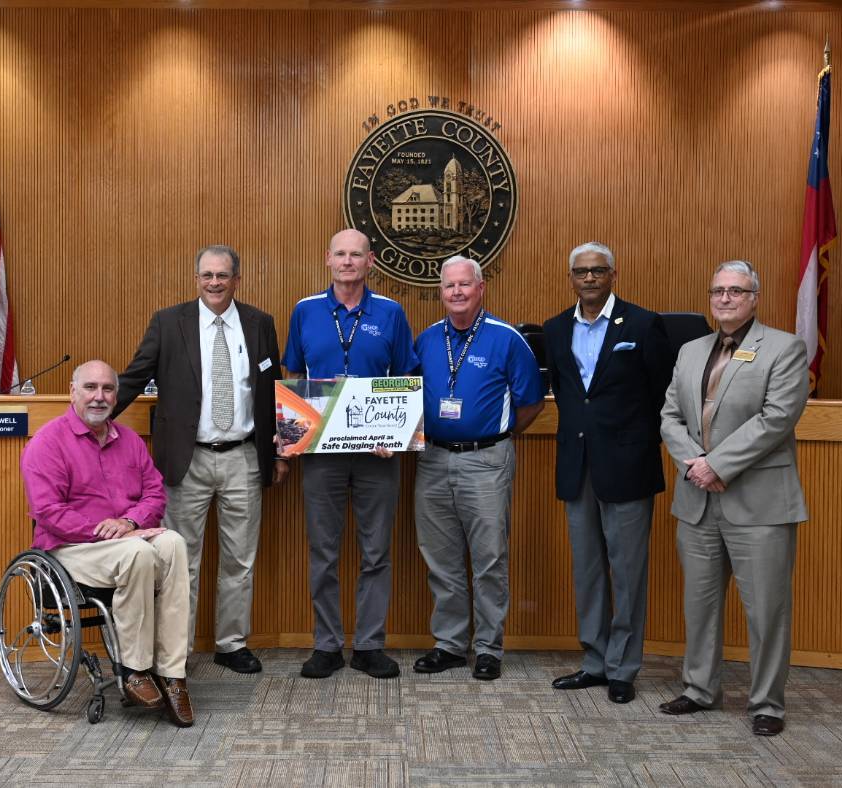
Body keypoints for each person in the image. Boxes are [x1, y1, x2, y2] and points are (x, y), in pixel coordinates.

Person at [115, 245, 285, 675]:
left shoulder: (260, 324)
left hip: (244, 458)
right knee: (179, 561)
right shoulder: (169, 323)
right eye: (207, 275)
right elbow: (135, 376)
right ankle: (178, 648)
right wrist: (89, 415)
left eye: (223, 275)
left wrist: (280, 450)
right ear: (196, 279)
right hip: (185, 460)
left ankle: (231, 643)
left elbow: (272, 392)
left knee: (239, 559)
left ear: (237, 279)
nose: (214, 282)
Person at [658, 260, 808, 737]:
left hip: (759, 502)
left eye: (736, 291)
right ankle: (700, 689)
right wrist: (694, 463)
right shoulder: (689, 351)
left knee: (766, 610)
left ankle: (767, 703)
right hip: (698, 500)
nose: (725, 298)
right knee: (699, 605)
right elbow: (668, 415)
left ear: (754, 297)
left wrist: (716, 464)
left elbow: (777, 418)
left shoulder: (785, 348)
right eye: (718, 290)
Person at [20, 360, 194, 727]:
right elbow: (48, 510)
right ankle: (134, 669)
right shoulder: (48, 443)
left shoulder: (129, 441)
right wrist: (111, 532)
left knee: (174, 543)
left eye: (107, 389)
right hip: (70, 549)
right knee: (137, 552)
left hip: (126, 540)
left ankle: (172, 672)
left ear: (117, 395)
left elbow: (154, 493)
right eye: (90, 387)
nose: (99, 397)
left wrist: (129, 522)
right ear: (72, 392)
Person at [282, 228, 419, 679]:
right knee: (324, 550)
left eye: (356, 255)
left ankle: (368, 645)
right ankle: (326, 645)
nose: (347, 262)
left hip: (377, 455)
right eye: (339, 254)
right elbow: (295, 379)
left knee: (376, 552)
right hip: (322, 456)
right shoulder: (305, 311)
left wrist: (395, 435)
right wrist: (294, 439)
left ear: (370, 261)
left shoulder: (392, 313)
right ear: (327, 259)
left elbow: (405, 379)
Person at [541, 242, 674, 704]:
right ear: (571, 278)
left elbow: (661, 393)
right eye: (581, 272)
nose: (590, 279)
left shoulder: (642, 324)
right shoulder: (556, 329)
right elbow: (569, 394)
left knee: (628, 571)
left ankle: (623, 667)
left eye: (598, 271)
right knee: (589, 570)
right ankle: (594, 661)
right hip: (578, 467)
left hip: (628, 465)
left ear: (614, 273)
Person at [411, 256, 544, 681]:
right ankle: (450, 644)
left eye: (464, 285)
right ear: (441, 292)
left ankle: (488, 647)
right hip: (432, 459)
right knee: (441, 558)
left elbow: (531, 403)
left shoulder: (507, 340)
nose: (457, 293)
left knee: (489, 558)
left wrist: (496, 436)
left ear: (480, 288)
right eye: (449, 286)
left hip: (487, 461)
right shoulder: (427, 340)